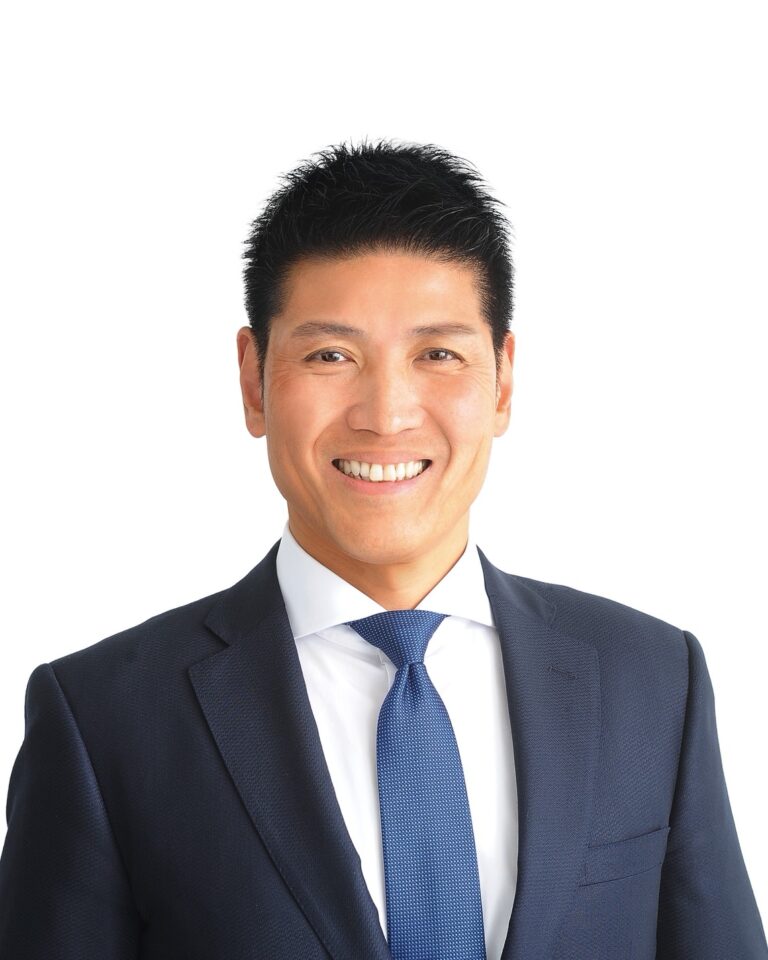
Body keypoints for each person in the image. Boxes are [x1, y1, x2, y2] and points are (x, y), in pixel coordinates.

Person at [0, 138, 765, 960]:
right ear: (253, 380)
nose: (387, 413)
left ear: (503, 380)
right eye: (330, 355)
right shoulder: (105, 719)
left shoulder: (653, 680)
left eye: (438, 354)